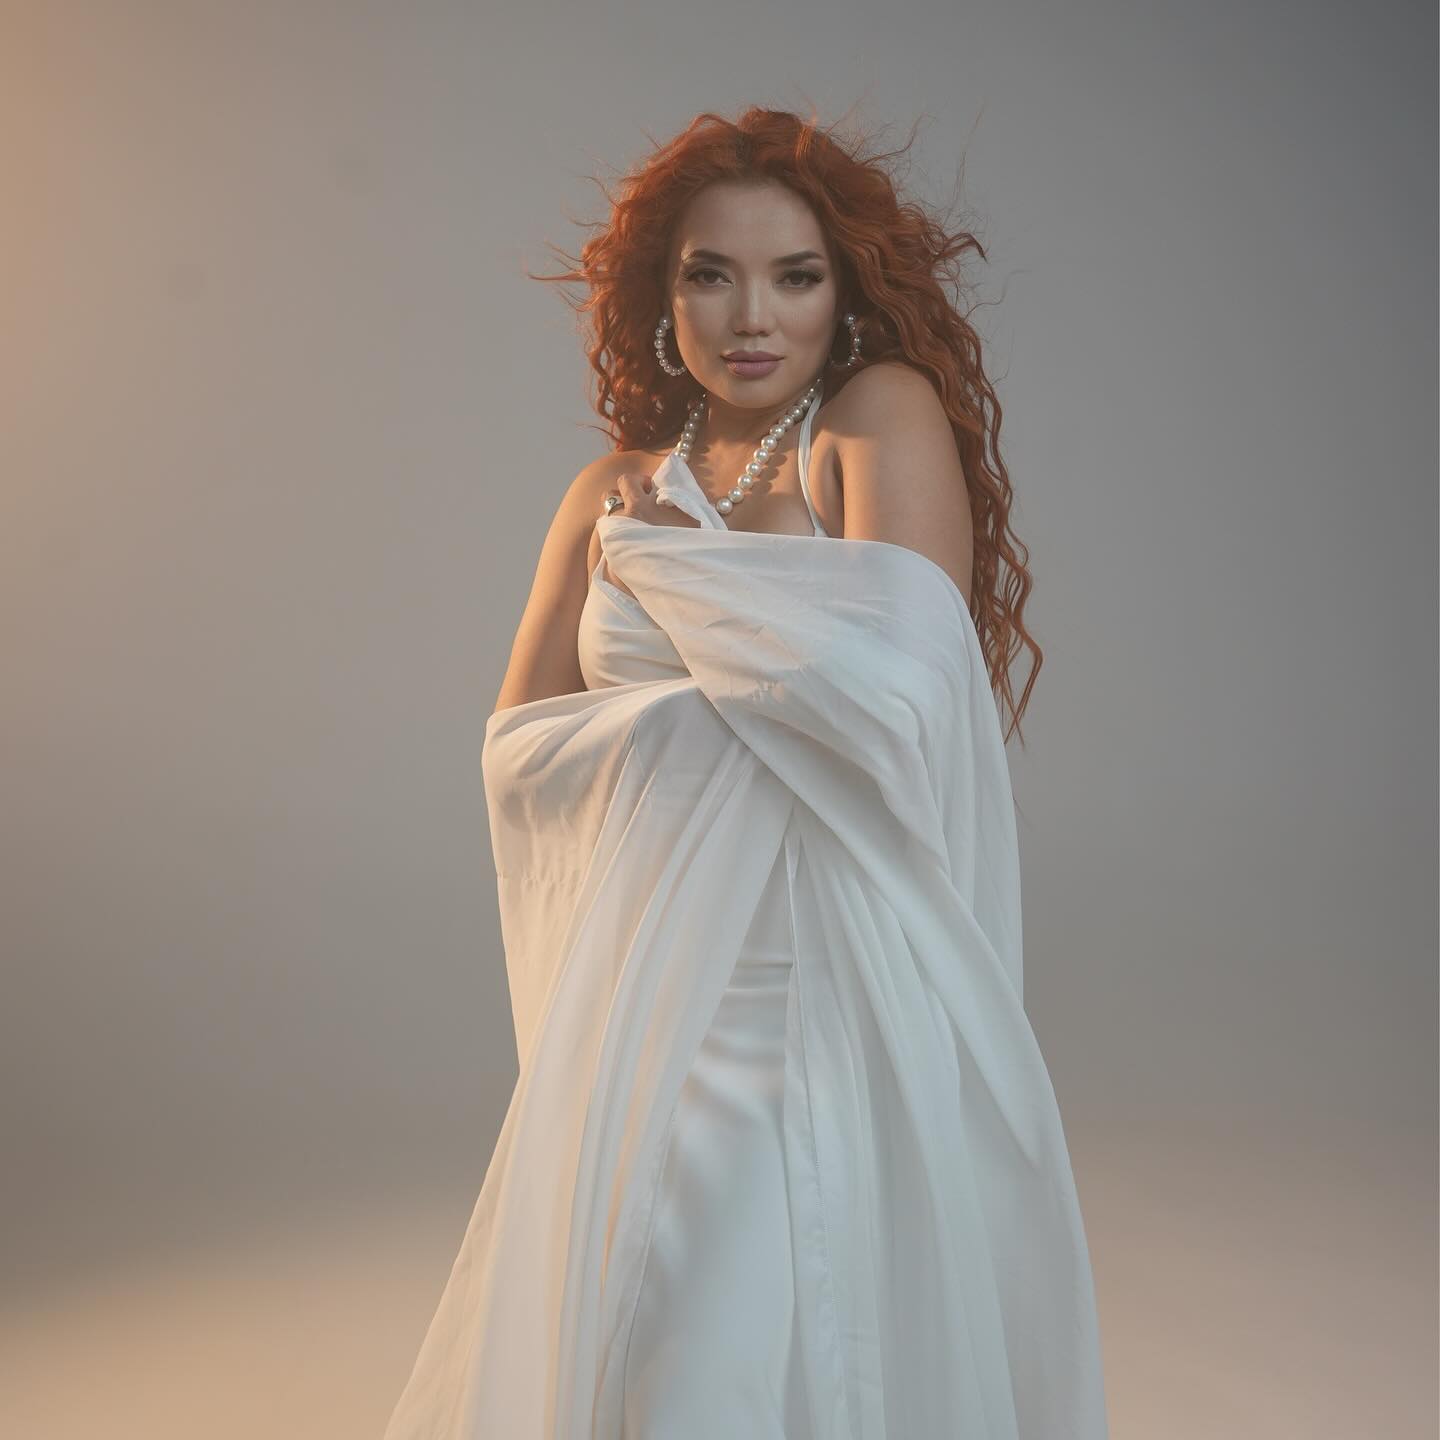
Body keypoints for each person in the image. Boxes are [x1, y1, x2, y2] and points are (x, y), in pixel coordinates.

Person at [384, 106, 1110, 1439]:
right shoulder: (608, 491)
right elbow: (522, 751)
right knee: (653, 1322)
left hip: (814, 987)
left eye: (796, 276)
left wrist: (669, 598)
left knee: (760, 1309)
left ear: (847, 293)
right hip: (649, 991)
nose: (752, 317)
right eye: (710, 275)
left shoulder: (871, 421)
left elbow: (897, 707)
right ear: (664, 299)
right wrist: (738, 679)